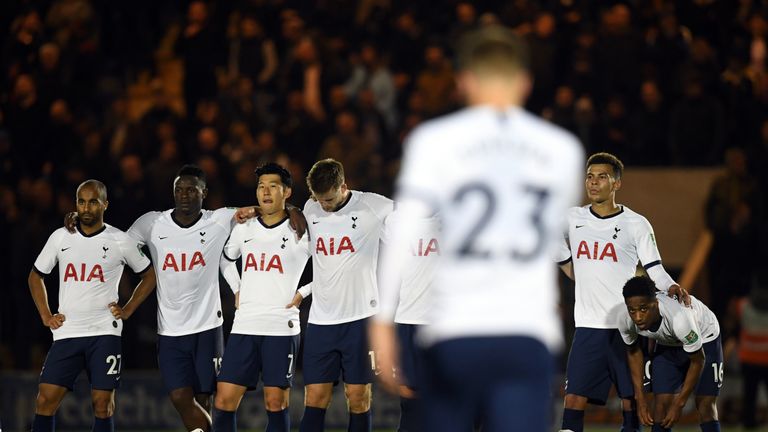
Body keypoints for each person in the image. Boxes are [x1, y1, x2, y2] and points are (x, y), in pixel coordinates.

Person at [370, 25, 585, 432]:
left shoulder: (433, 141)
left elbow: (402, 231)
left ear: (463, 81)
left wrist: (382, 322)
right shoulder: (562, 150)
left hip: (456, 329)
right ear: (525, 82)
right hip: (526, 331)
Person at [124, 164, 305, 432]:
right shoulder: (151, 222)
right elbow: (119, 245)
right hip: (173, 328)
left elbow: (260, 210)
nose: (184, 194)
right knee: (187, 398)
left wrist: (293, 210)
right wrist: (144, 268)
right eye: (179, 189)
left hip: (212, 328)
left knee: (215, 399)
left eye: (191, 189)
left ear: (204, 192)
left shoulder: (219, 219)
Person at [556, 152, 688, 432]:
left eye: (602, 177)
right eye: (589, 177)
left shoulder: (636, 223)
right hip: (588, 327)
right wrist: (568, 265)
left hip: (626, 329)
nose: (593, 183)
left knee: (631, 403)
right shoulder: (572, 218)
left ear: (616, 184)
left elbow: (655, 268)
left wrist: (671, 286)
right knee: (573, 400)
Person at [28, 180, 156, 431]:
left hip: (104, 332)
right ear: (76, 204)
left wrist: (128, 309)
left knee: (102, 404)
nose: (86, 207)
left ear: (105, 204)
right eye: (81, 201)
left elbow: (149, 275)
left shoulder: (120, 240)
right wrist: (45, 315)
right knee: (45, 399)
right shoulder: (61, 236)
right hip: (68, 331)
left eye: (93, 201)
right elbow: (35, 275)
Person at [286, 158, 394, 432]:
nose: (324, 205)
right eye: (318, 199)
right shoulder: (311, 208)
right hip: (321, 321)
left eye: (330, 199)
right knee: (315, 398)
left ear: (344, 186)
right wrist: (291, 207)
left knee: (357, 398)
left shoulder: (375, 206)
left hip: (361, 320)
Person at [212, 163, 310, 432]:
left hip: (281, 326)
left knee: (276, 402)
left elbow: (332, 266)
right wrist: (236, 288)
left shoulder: (301, 230)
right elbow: (226, 260)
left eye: (273, 186)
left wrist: (303, 292)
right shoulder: (245, 228)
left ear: (287, 191)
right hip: (245, 324)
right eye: (260, 186)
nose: (265, 192)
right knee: (223, 400)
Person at [619, 276, 722, 431]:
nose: (638, 317)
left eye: (643, 309)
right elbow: (634, 352)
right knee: (660, 406)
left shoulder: (680, 319)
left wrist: (679, 404)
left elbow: (698, 361)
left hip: (705, 338)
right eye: (632, 310)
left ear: (655, 303)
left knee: (705, 404)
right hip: (668, 342)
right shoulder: (625, 320)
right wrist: (640, 399)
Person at [379, 212, 440, 432]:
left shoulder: (456, 213)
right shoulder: (395, 220)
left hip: (443, 323)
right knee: (408, 395)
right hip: (407, 318)